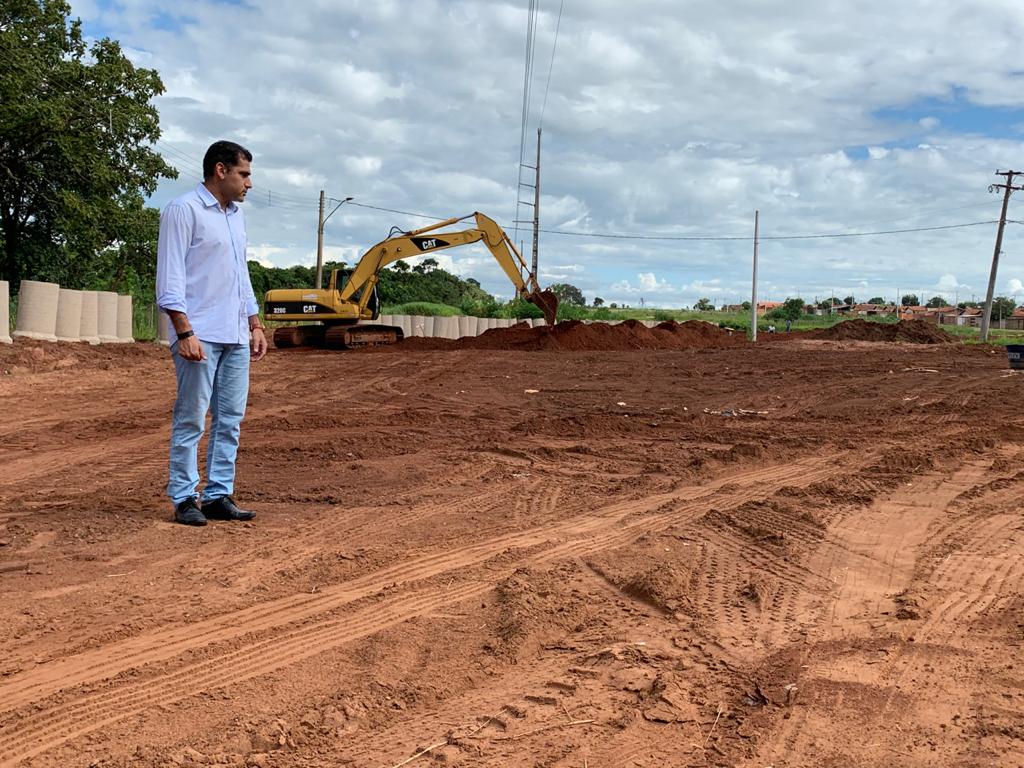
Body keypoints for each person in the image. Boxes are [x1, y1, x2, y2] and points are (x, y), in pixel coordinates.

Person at [156, 140, 268, 526]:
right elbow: (169, 277)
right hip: (199, 333)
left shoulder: (235, 216)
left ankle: (219, 494)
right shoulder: (183, 210)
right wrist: (184, 331)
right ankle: (184, 497)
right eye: (244, 174)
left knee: (230, 418)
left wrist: (254, 323)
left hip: (236, 333)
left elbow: (241, 275)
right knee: (191, 418)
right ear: (221, 170)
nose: (249, 183)